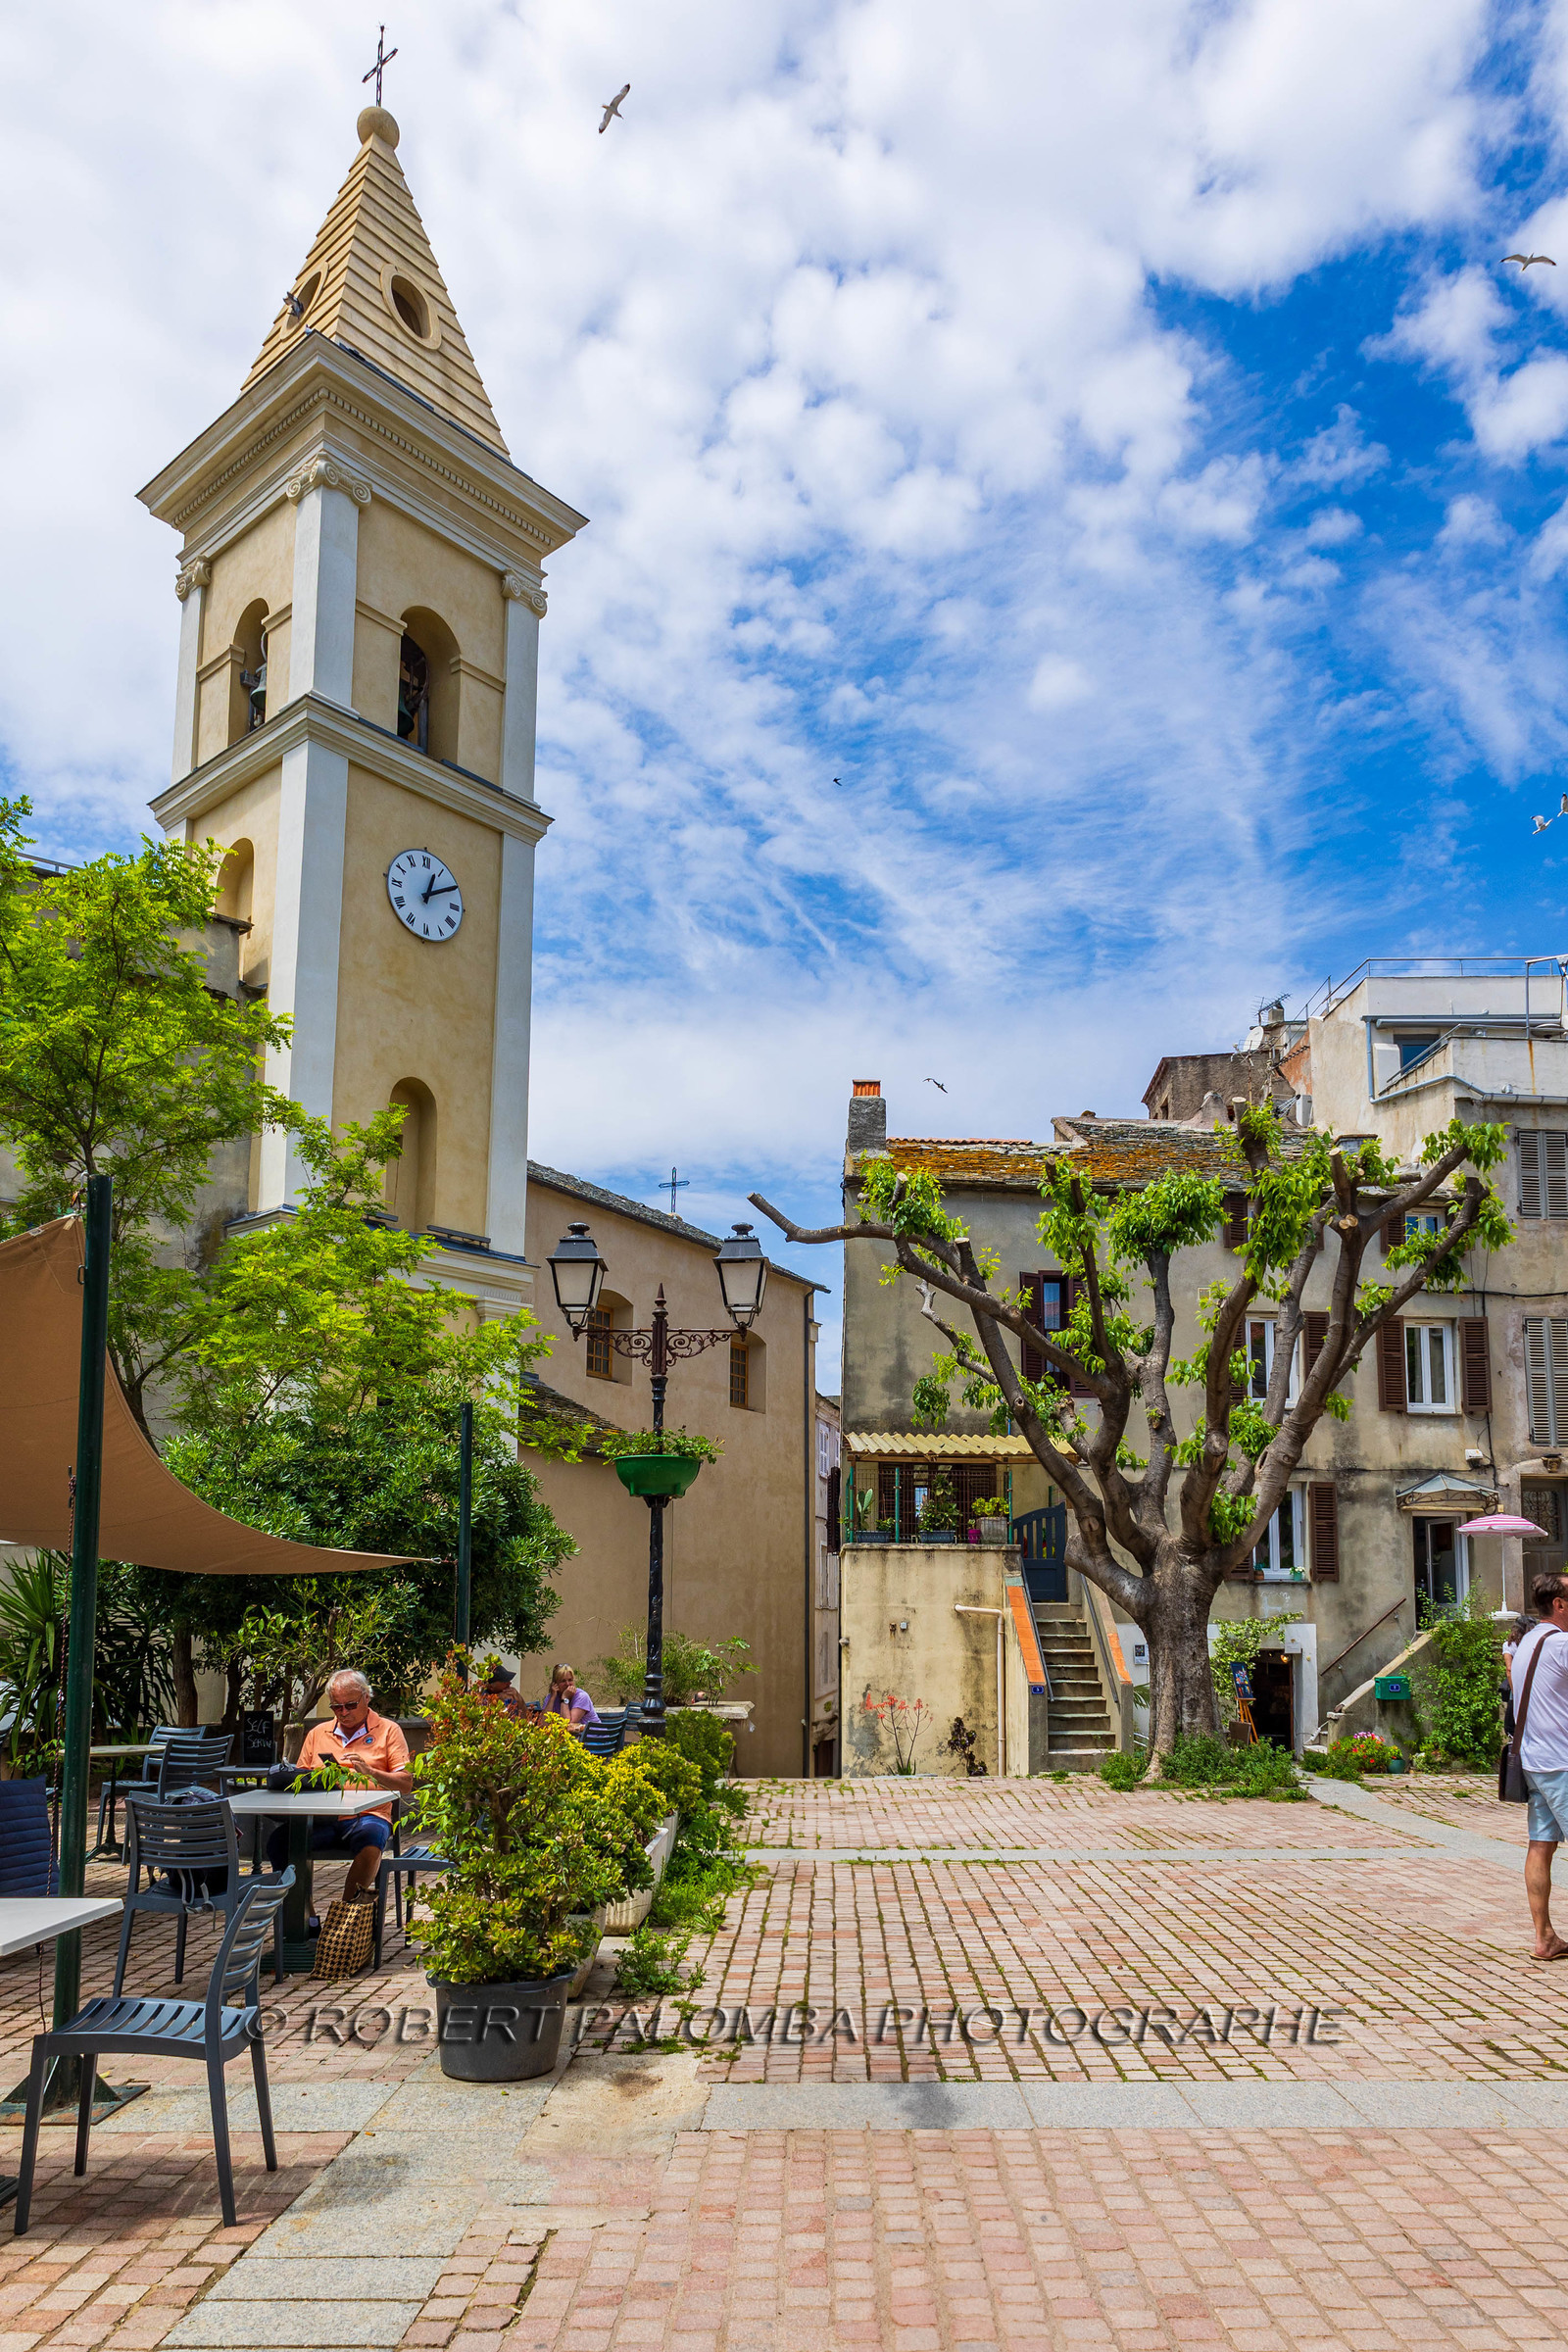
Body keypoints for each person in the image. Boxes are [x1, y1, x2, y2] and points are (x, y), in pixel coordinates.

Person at [266, 1669, 414, 1915]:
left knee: (371, 1840)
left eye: (350, 1705)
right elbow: (300, 1780)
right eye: (337, 1707)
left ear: (367, 1698)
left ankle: (345, 1918)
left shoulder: (388, 1730)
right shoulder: (317, 1733)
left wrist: (371, 1773)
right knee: (279, 1842)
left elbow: (406, 1783)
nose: (343, 1712)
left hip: (368, 1815)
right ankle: (305, 1919)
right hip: (322, 1818)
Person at [1510, 1574, 1568, 1960]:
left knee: (1540, 1846)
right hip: (1562, 1760)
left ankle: (1544, 1937)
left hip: (1532, 1759)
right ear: (1560, 1604)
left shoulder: (1528, 1640)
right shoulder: (1562, 1643)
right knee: (1541, 1846)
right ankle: (1545, 1939)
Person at [541, 1663, 600, 1730]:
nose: (567, 1684)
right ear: (555, 1684)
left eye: (570, 1680)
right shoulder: (550, 1698)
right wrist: (552, 1698)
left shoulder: (582, 1697)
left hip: (594, 1737)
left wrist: (565, 1698)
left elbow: (567, 1725)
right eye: (563, 1681)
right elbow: (543, 1725)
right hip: (574, 1738)